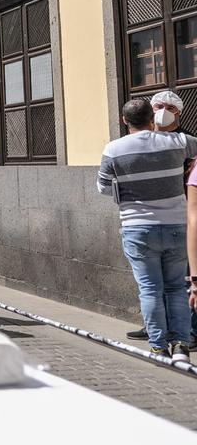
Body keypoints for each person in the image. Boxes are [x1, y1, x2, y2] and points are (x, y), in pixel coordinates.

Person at [97, 98, 197, 361]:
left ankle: (158, 346)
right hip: (176, 225)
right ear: (151, 119)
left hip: (137, 227)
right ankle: (181, 345)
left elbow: (104, 187)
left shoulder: (113, 149)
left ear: (124, 121)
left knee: (150, 289)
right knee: (177, 287)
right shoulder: (178, 142)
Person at [129, 90, 188, 341]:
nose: (163, 111)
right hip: (146, 221)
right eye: (159, 106)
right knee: (153, 283)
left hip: (182, 219)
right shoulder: (139, 144)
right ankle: (155, 327)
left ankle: (187, 331)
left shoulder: (185, 143)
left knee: (181, 281)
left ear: (179, 113)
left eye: (170, 107)